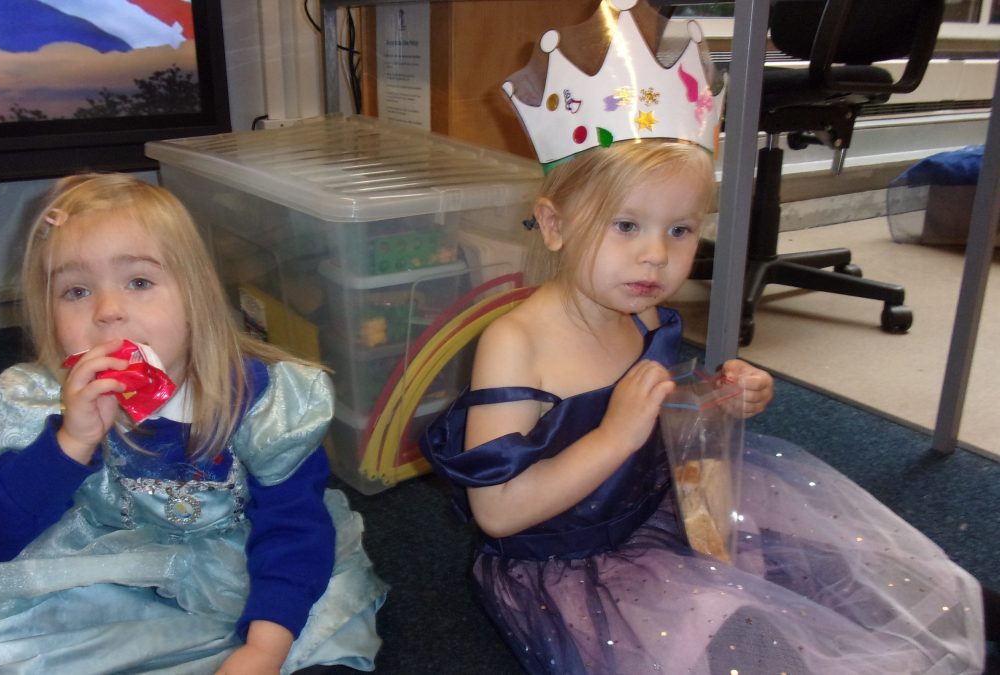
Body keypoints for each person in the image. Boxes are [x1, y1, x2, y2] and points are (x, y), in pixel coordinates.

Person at [421, 2, 988, 673]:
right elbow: (497, 510)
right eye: (626, 225)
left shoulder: (641, 312)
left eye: (680, 229)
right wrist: (616, 434)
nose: (656, 257)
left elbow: (656, 406)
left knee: (836, 562)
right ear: (554, 224)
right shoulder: (516, 342)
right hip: (573, 559)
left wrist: (717, 394)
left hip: (657, 506)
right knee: (742, 640)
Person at [0, 173, 388, 674]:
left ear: (195, 296)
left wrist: (264, 648)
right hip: (94, 571)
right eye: (76, 291)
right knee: (1, 654)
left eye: (139, 282)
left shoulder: (264, 402)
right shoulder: (37, 401)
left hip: (241, 572)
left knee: (317, 638)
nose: (108, 312)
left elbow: (294, 530)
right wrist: (70, 442)